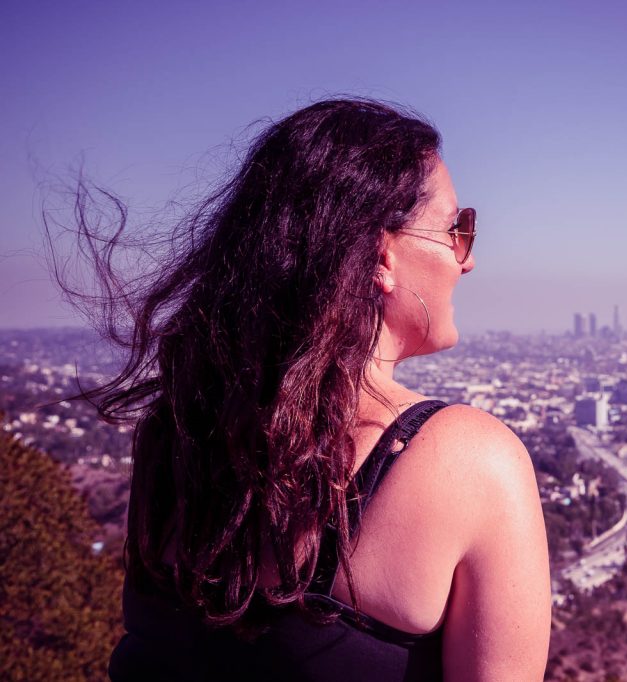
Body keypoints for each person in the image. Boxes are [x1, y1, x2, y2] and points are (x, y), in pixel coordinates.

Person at [68, 99, 550, 680]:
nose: (465, 260)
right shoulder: (469, 461)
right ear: (382, 254)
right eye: (456, 228)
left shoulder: (177, 433)